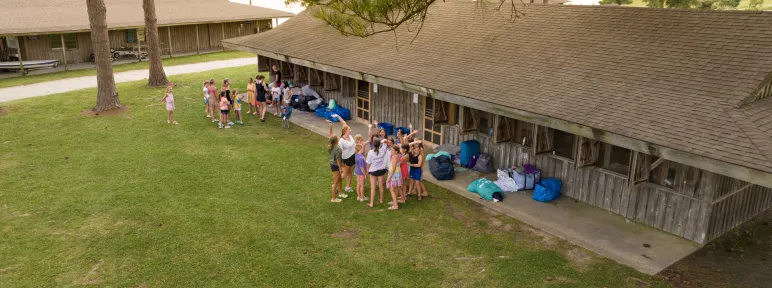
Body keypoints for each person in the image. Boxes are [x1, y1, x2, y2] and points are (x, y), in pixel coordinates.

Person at [328, 114, 356, 195]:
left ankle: (348, 187)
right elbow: (339, 153)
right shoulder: (341, 141)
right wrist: (341, 163)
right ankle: (336, 185)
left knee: (350, 172)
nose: (350, 130)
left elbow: (344, 123)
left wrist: (338, 116)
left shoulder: (350, 136)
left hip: (353, 156)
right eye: (349, 129)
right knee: (345, 174)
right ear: (345, 131)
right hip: (346, 159)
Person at [366, 134, 389, 207]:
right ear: (380, 144)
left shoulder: (370, 152)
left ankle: (371, 203)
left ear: (373, 144)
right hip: (381, 170)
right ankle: (381, 199)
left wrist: (368, 170)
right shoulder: (383, 149)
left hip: (373, 171)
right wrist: (382, 141)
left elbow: (368, 163)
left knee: (373, 188)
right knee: (381, 186)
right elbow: (385, 141)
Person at [326, 123, 347, 202]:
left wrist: (330, 125)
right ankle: (333, 198)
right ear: (337, 140)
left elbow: (330, 134)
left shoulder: (330, 145)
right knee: (335, 182)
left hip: (332, 163)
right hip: (335, 166)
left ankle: (340, 193)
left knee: (339, 180)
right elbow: (338, 161)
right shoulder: (338, 149)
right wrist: (340, 168)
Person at [385, 145, 403, 210]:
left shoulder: (395, 158)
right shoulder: (397, 155)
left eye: (392, 150)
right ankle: (394, 201)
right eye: (391, 150)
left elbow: (393, 169)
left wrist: (389, 178)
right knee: (395, 189)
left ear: (396, 151)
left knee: (392, 190)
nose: (391, 151)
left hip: (393, 175)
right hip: (397, 174)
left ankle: (395, 205)